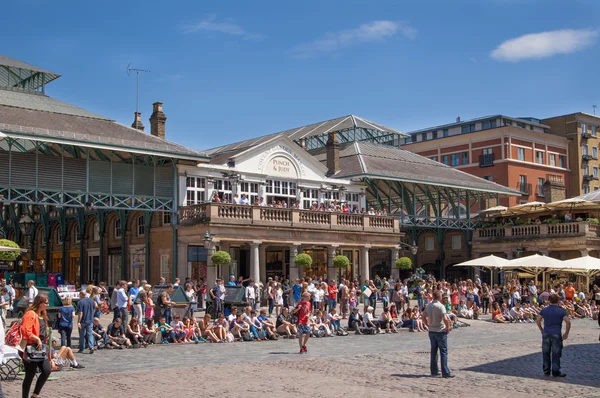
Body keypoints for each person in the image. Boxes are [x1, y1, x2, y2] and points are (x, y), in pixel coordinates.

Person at [21, 294, 52, 398]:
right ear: (39, 303)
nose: (47, 305)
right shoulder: (30, 314)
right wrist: (37, 338)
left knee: (47, 370)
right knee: (30, 374)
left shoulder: (42, 314)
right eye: (46, 303)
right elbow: (26, 330)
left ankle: (35, 394)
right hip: (31, 347)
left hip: (41, 347)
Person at [536, 293, 570, 377]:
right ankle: (556, 371)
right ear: (558, 301)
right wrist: (566, 333)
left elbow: (538, 319)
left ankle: (546, 370)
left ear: (549, 301)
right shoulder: (561, 311)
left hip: (546, 333)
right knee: (556, 353)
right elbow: (568, 321)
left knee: (546, 353)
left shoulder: (544, 310)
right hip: (556, 334)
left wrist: (541, 329)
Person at [421, 290, 454, 378]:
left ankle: (434, 371)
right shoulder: (441, 306)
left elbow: (422, 316)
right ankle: (445, 372)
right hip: (440, 330)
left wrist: (426, 324)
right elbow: (445, 318)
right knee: (443, 351)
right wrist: (447, 327)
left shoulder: (429, 305)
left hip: (432, 330)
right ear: (439, 297)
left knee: (434, 351)